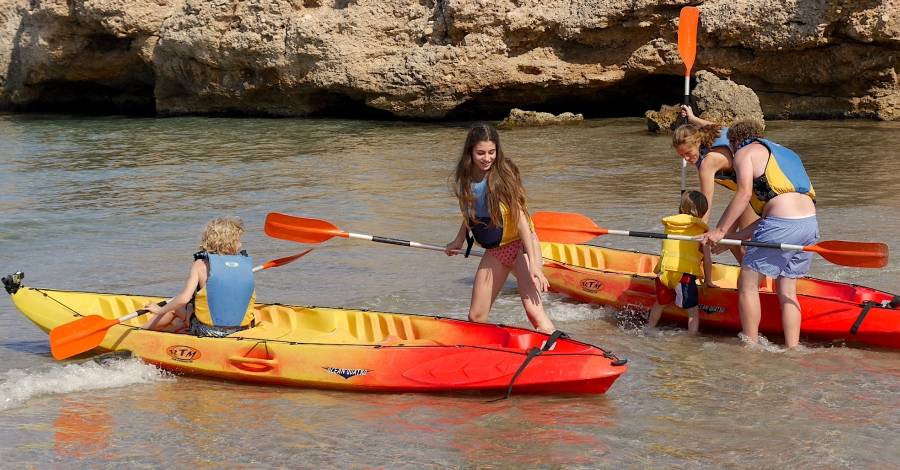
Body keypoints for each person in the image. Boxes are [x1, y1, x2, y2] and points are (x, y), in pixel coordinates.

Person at [701, 119, 818, 349]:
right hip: (809, 224)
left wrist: (720, 230)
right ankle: (793, 348)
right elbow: (769, 219)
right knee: (787, 290)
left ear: (734, 142)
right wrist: (731, 239)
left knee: (747, 284)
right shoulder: (784, 153)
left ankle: (750, 345)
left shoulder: (744, 152)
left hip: (781, 224)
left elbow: (744, 194)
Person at [444, 123, 555, 334]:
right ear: (470, 152)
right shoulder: (466, 177)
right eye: (481, 153)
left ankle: (557, 351)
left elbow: (521, 219)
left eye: (492, 152)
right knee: (475, 317)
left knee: (534, 313)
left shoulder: (502, 177)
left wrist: (534, 265)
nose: (487, 158)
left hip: (520, 247)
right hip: (495, 252)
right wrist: (459, 239)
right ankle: (483, 357)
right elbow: (471, 211)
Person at [143, 217, 257, 337]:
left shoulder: (200, 264)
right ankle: (178, 326)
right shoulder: (244, 264)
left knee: (176, 308)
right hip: (241, 329)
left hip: (209, 332)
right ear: (233, 242)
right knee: (191, 307)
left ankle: (139, 331)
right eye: (238, 239)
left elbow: (183, 299)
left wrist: (159, 310)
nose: (241, 243)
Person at [673, 105, 760, 261]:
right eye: (681, 155)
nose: (686, 159)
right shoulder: (708, 135)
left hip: (758, 192)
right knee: (729, 240)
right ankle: (751, 279)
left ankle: (755, 282)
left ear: (697, 143)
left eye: (688, 153)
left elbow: (705, 206)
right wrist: (692, 118)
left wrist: (699, 233)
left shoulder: (707, 164)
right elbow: (715, 127)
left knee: (742, 243)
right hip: (747, 192)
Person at [645, 191, 714, 335]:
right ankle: (690, 339)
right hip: (684, 276)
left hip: (663, 273)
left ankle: (649, 329)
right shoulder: (702, 230)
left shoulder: (670, 224)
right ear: (701, 211)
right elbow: (707, 260)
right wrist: (708, 281)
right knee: (693, 313)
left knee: (659, 304)